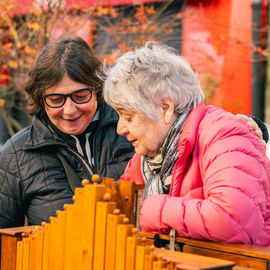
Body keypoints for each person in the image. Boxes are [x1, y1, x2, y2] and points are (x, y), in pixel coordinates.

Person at [102, 41, 270, 246]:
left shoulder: (225, 133)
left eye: (129, 117)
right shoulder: (149, 156)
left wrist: (149, 210)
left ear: (165, 108)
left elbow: (233, 220)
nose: (120, 129)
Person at [0, 35, 134, 230]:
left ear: (97, 89)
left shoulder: (130, 134)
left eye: (80, 96)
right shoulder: (16, 154)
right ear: (40, 98)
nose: (70, 110)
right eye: (56, 100)